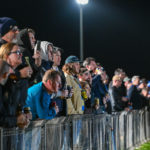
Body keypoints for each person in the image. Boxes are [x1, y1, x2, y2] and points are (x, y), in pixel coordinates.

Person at [0, 43, 29, 128]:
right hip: (6, 125)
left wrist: (22, 114)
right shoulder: (15, 75)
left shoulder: (21, 72)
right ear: (6, 55)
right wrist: (16, 120)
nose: (21, 54)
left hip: (12, 124)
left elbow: (17, 101)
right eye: (17, 52)